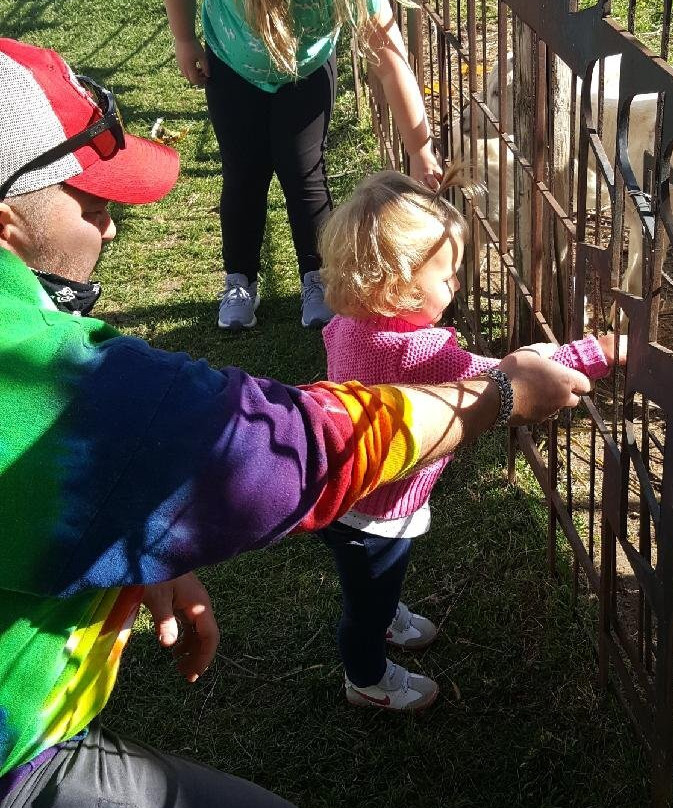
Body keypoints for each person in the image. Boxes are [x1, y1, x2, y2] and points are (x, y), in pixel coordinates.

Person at [0, 39, 591, 807]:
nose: (111, 227)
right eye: (95, 201)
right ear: (9, 221)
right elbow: (275, 449)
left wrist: (127, 535)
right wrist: (502, 397)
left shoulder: (346, 323)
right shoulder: (51, 375)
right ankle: (368, 675)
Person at [317, 167, 625, 711]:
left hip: (351, 488)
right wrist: (593, 353)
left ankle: (385, 614)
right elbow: (509, 376)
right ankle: (365, 676)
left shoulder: (345, 325)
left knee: (373, 585)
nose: (455, 285)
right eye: (447, 275)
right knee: (364, 604)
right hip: (376, 511)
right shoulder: (418, 352)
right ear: (399, 284)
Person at [163, 0, 442, 331]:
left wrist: (420, 150)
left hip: (307, 71)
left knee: (304, 171)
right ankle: (240, 277)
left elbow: (391, 63)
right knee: (243, 173)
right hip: (232, 64)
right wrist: (184, 39)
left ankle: (317, 276)